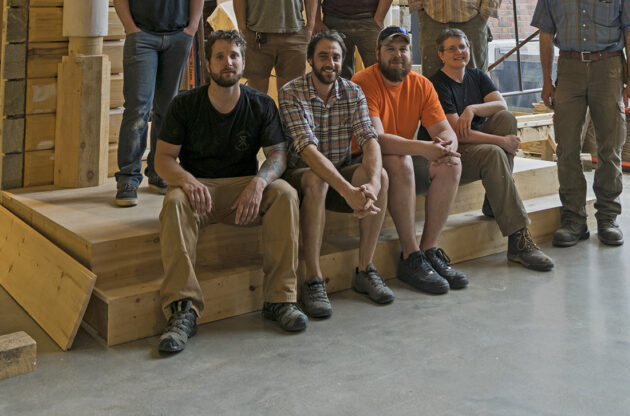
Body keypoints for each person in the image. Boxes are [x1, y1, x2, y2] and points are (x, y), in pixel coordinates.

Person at [154, 30, 305, 354]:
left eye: (234, 56)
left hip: (244, 189)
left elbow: (278, 155)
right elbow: (163, 159)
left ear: (244, 62)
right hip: (200, 192)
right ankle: (183, 310)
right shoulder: (185, 105)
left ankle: (280, 300)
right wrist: (186, 180)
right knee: (174, 201)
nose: (228, 62)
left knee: (285, 194)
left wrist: (259, 182)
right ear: (208, 64)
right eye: (220, 56)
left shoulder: (261, 103)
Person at [531, 0, 630, 248]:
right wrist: (547, 81)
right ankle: (573, 220)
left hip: (609, 68)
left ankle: (607, 217)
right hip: (568, 68)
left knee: (609, 147)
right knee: (566, 148)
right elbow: (545, 35)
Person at [278, 31, 394, 318]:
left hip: (340, 170)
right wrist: (347, 191)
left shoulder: (353, 91)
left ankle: (365, 269)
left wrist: (373, 184)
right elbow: (306, 150)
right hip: (301, 174)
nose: (330, 62)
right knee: (317, 181)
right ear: (310, 60)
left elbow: (370, 139)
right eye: (323, 56)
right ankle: (314, 279)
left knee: (383, 176)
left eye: (336, 57)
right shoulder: (291, 93)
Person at [353, 26, 469, 295]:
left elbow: (446, 131)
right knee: (399, 161)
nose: (398, 55)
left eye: (403, 49)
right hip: (365, 160)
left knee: (452, 162)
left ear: (410, 53)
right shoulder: (363, 82)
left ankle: (428, 250)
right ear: (377, 53)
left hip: (405, 153)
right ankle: (410, 254)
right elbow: (376, 139)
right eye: (390, 49)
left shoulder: (421, 84)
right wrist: (424, 147)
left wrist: (447, 145)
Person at [109, 0, 205, 207]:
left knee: (168, 109)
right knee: (138, 108)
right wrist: (132, 30)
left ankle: (159, 172)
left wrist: (191, 29)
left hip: (178, 38)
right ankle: (127, 180)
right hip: (143, 39)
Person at [427, 28, 553, 271]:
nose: (458, 52)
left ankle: (494, 202)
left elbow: (501, 104)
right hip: (452, 154)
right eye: (451, 48)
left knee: (506, 118)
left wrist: (472, 109)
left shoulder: (476, 75)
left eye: (462, 47)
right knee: (495, 151)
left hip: (476, 146)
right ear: (441, 54)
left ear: (469, 50)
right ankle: (518, 239)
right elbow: (455, 135)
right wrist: (500, 142)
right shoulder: (437, 84)